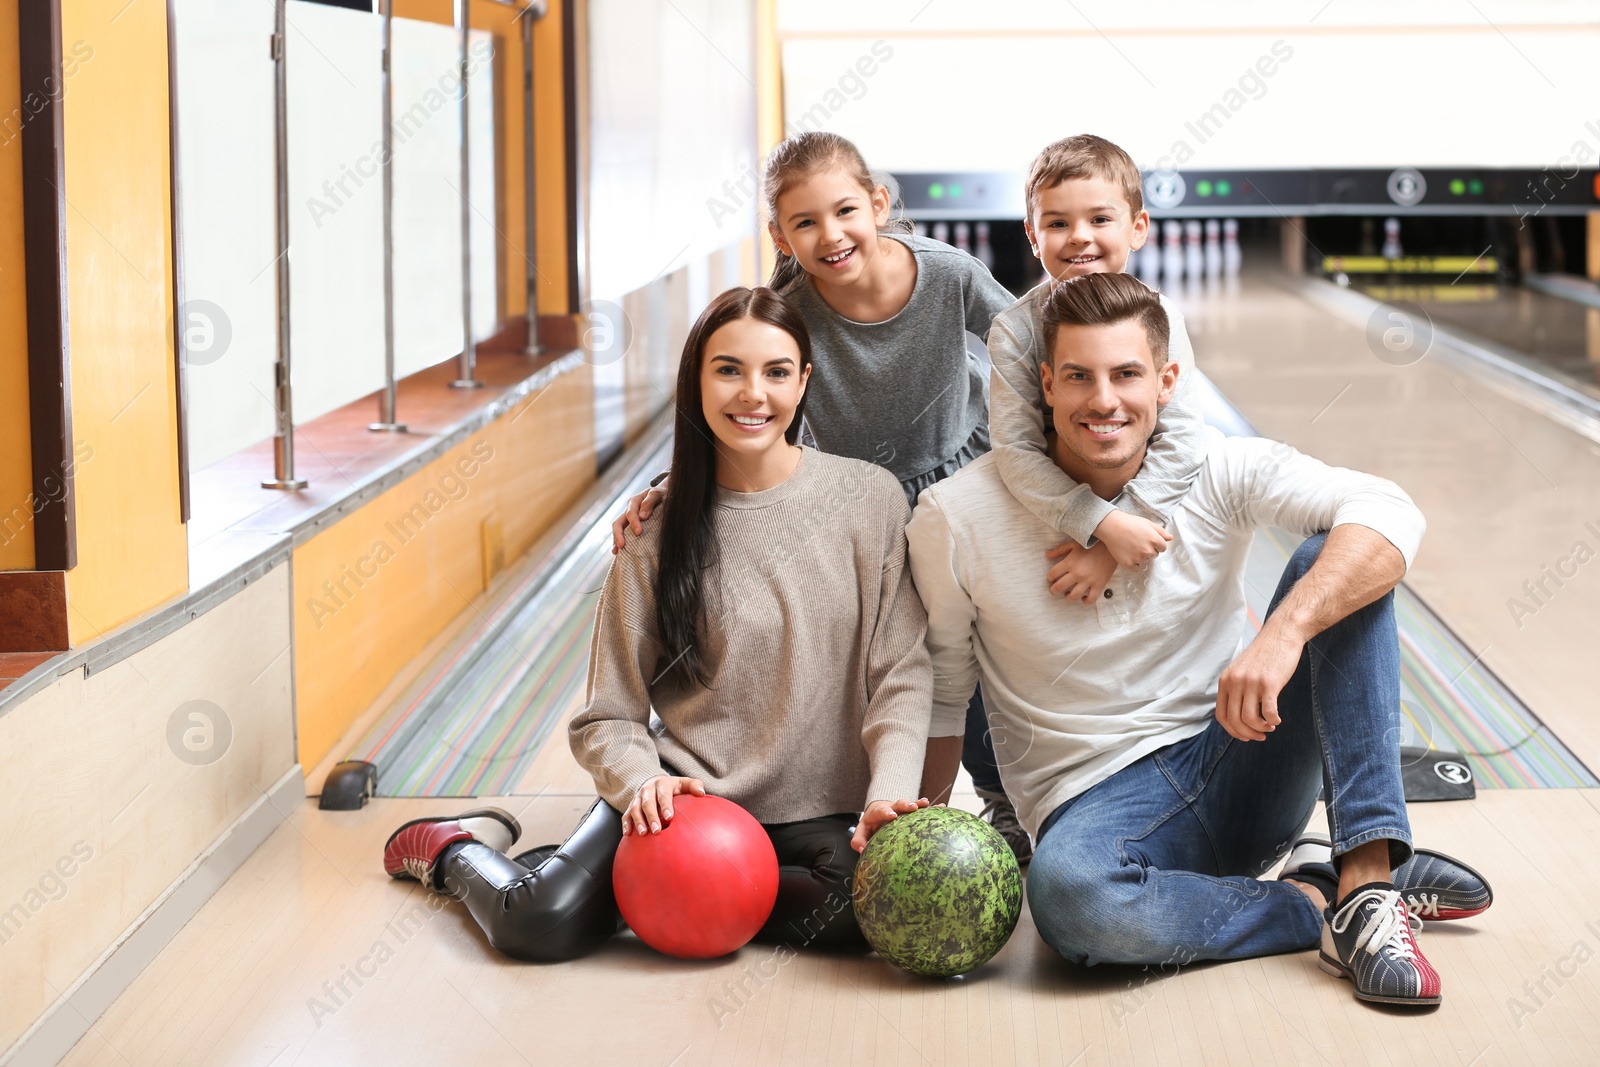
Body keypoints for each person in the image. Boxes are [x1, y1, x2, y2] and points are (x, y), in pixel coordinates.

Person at [908, 272, 1491, 1007]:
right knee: (1070, 899)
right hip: (1096, 812)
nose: (1104, 401)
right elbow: (945, 689)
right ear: (1046, 384)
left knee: (1338, 562)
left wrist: (1283, 633)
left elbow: (1390, 512)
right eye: (1080, 377)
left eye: (1126, 374)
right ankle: (1317, 899)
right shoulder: (955, 515)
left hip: (1237, 759)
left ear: (1166, 381)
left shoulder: (1217, 467)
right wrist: (919, 829)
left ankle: (1368, 884)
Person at [383, 287, 939, 961]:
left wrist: (887, 796)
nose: (752, 394)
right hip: (680, 799)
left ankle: (630, 890)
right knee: (537, 921)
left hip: (813, 811)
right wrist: (641, 783)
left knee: (867, 912)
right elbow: (608, 716)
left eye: (776, 371)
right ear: (696, 380)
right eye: (728, 369)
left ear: (804, 382)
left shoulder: (870, 498)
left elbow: (900, 674)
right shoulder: (656, 528)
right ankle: (455, 845)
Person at [611, 131, 1029, 859]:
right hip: (854, 498)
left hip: (960, 481)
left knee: (988, 642)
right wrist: (676, 483)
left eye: (844, 211)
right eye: (806, 223)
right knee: (911, 658)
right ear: (780, 234)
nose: (830, 235)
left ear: (879, 204)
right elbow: (752, 412)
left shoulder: (949, 275)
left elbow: (1030, 351)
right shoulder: (789, 307)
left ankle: (1003, 800)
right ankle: (911, 825)